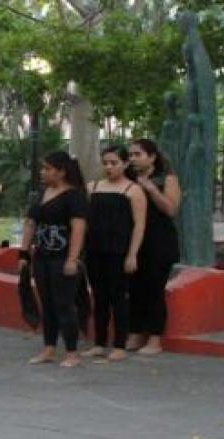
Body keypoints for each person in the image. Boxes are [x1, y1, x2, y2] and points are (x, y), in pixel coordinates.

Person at [19, 151, 88, 368]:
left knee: (63, 305)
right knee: (47, 303)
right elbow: (30, 223)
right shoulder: (42, 193)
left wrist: (72, 259)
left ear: (61, 172)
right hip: (42, 256)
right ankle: (49, 348)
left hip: (62, 257)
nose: (43, 172)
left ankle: (72, 352)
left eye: (47, 169)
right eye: (43, 168)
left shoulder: (74, 196)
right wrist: (24, 253)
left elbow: (78, 228)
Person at [83, 146, 147, 361]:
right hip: (95, 249)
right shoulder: (92, 188)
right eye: (106, 163)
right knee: (99, 297)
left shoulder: (133, 190)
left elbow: (139, 225)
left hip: (119, 251)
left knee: (118, 298)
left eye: (114, 163)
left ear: (125, 164)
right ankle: (99, 343)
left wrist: (132, 254)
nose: (109, 167)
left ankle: (120, 344)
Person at [127, 138, 181, 355]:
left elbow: (171, 209)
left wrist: (151, 190)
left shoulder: (166, 178)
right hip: (133, 240)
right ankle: (135, 332)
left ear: (152, 157)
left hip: (159, 241)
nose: (133, 159)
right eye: (130, 155)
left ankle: (155, 338)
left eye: (137, 154)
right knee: (134, 288)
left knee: (154, 289)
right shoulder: (128, 178)